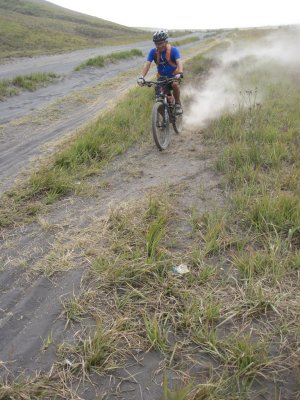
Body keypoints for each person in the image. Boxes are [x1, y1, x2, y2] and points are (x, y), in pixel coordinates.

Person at [137, 30, 184, 114]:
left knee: (175, 84)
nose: (159, 46)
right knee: (158, 100)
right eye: (157, 44)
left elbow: (179, 62)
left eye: (161, 43)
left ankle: (177, 104)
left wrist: (180, 73)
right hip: (161, 78)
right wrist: (141, 77)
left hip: (174, 76)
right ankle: (164, 122)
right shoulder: (153, 52)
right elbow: (147, 64)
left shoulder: (173, 50)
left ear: (166, 42)